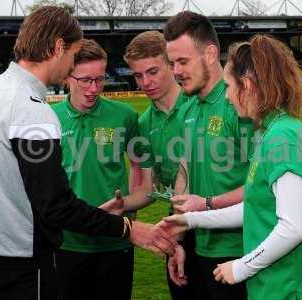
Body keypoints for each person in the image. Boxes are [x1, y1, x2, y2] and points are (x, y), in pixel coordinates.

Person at [0, 6, 175, 300]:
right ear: (59, 47)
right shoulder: (32, 110)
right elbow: (57, 205)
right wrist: (128, 229)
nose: (73, 66)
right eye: (74, 55)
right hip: (26, 259)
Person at [162, 34, 302, 300]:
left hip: (297, 288)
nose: (227, 96)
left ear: (248, 85)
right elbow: (256, 206)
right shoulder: (274, 131)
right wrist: (191, 220)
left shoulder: (282, 137)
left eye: (229, 86)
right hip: (286, 286)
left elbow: (294, 227)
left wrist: (241, 267)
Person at [163, 11, 254, 300]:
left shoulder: (239, 104)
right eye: (172, 62)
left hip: (241, 252)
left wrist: (207, 204)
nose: (176, 71)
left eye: (183, 61)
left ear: (211, 54)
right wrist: (178, 239)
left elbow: (265, 186)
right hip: (199, 247)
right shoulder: (189, 106)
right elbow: (184, 174)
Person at [52, 38, 139, 300]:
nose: (94, 88)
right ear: (68, 77)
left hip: (115, 239)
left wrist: (130, 204)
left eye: (100, 79)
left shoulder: (125, 115)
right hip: (67, 242)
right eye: (85, 80)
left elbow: (141, 170)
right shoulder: (49, 118)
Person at [123, 30, 197, 300]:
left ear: (170, 64)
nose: (146, 82)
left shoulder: (198, 104)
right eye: (138, 75)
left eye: (153, 71)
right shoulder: (143, 124)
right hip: (177, 227)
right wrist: (123, 206)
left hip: (223, 226)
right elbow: (148, 187)